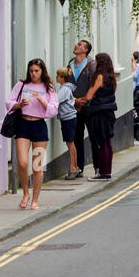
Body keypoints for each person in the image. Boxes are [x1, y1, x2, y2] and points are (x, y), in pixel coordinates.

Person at [7, 59, 59, 210]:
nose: (33, 74)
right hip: (23, 125)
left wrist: (42, 100)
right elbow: (9, 102)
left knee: (37, 166)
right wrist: (19, 104)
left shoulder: (48, 87)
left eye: (36, 71)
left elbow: (53, 109)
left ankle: (35, 200)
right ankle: (25, 193)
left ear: (42, 71)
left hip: (39, 127)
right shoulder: (22, 85)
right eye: (31, 71)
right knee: (22, 163)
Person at [76, 51, 118, 179]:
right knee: (107, 143)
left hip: (99, 113)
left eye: (95, 60)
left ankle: (103, 173)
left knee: (101, 143)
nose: (94, 62)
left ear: (100, 63)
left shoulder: (100, 76)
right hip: (109, 112)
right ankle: (107, 171)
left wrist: (76, 100)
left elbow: (89, 95)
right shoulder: (111, 77)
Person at [68, 40, 95, 178]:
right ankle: (79, 167)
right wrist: (74, 101)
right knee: (76, 137)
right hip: (73, 107)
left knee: (93, 136)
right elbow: (67, 85)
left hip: (89, 107)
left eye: (80, 44)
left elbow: (94, 85)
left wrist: (84, 100)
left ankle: (98, 168)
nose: (76, 45)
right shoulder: (70, 64)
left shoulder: (92, 64)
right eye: (76, 43)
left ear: (86, 50)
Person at [55, 67, 80, 179]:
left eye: (57, 76)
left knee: (70, 144)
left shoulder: (64, 90)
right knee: (71, 143)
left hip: (68, 119)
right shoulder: (66, 88)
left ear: (62, 78)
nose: (56, 77)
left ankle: (73, 169)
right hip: (70, 118)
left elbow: (55, 101)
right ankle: (75, 167)